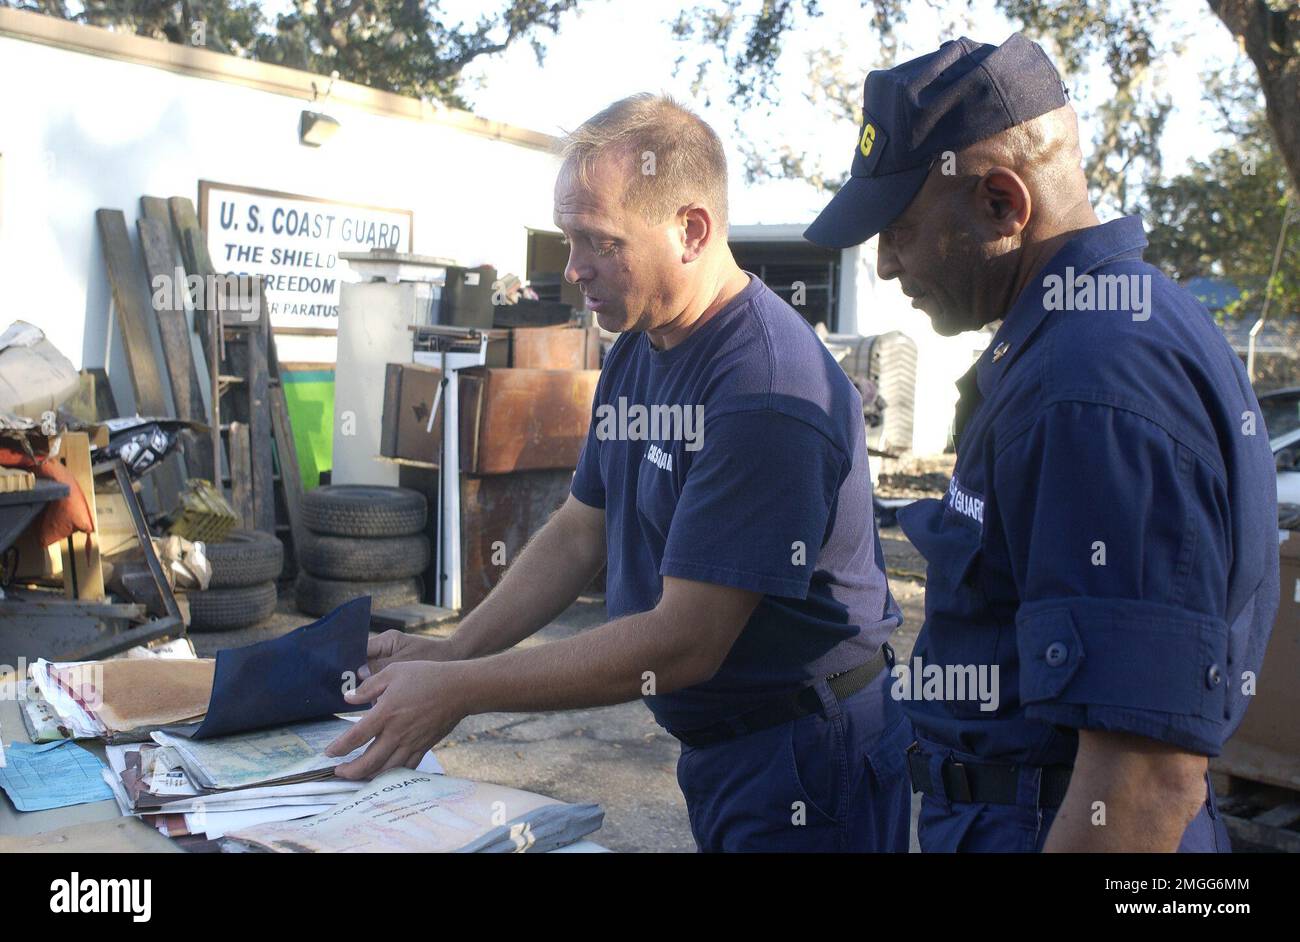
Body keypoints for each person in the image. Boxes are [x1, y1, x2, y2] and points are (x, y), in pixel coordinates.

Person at [327, 94, 912, 852]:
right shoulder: (641, 343)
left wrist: (460, 690)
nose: (573, 270)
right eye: (569, 240)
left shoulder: (765, 389)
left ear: (691, 230)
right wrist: (455, 647)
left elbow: (683, 641)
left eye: (597, 242)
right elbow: (580, 529)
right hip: (735, 747)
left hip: (807, 753)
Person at [805, 34, 1279, 852]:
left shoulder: (1090, 383)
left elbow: (1142, 783)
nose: (884, 266)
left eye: (900, 230)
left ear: (1001, 203)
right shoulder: (1097, 333)